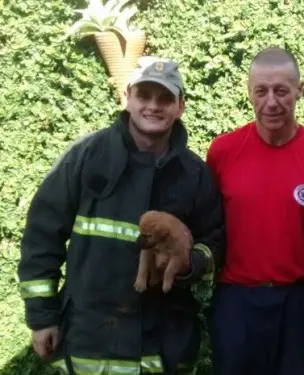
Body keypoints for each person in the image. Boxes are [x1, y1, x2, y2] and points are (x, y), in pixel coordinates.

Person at [17, 56, 225, 375]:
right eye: (144, 95)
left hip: (163, 344)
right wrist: (42, 317)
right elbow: (42, 236)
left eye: (165, 98)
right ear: (127, 97)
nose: (153, 106)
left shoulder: (195, 174)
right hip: (89, 339)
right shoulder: (86, 156)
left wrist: (191, 263)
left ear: (181, 106)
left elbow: (214, 242)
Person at [206, 46, 304, 375]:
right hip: (238, 302)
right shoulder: (222, 151)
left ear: (299, 90)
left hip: (303, 302)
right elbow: (208, 226)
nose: (271, 102)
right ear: (249, 93)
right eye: (261, 91)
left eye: (281, 91)